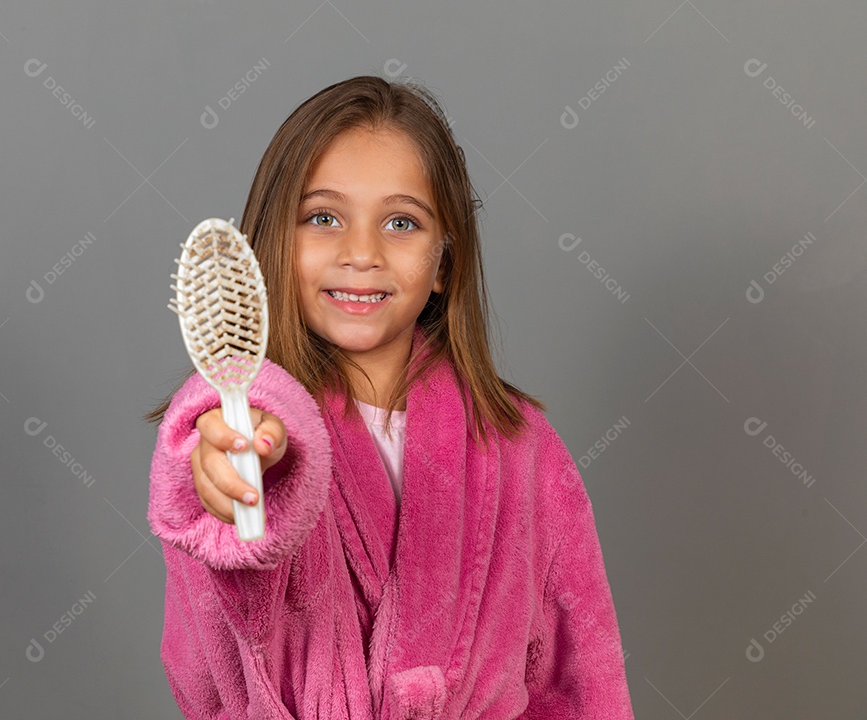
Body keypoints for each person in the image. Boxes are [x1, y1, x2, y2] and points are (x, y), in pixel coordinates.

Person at [146, 75, 635, 719]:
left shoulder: (521, 446)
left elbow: (580, 680)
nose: (361, 253)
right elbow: (208, 659)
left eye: (401, 222)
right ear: (273, 243)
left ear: (443, 264)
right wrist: (229, 503)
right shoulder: (240, 434)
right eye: (323, 218)